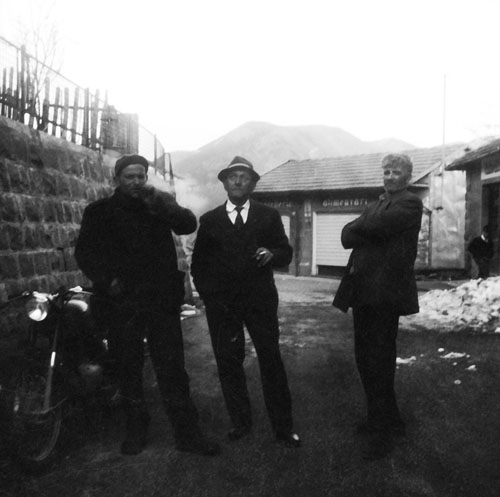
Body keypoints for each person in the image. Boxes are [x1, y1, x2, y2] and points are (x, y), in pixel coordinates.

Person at [75, 154, 220, 457]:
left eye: (141, 176)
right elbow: (85, 253)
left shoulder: (156, 206)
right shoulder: (99, 212)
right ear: (117, 179)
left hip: (159, 301)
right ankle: (136, 431)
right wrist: (107, 281)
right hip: (121, 303)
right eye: (130, 176)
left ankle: (187, 434)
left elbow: (187, 224)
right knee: (128, 368)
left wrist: (163, 202)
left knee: (172, 369)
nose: (136, 182)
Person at [191, 156, 301, 448]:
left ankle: (283, 427)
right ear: (224, 183)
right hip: (223, 306)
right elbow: (199, 265)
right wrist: (211, 298)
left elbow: (285, 252)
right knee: (228, 361)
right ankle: (240, 422)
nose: (238, 181)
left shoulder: (268, 216)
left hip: (259, 301)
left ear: (253, 184)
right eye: (233, 176)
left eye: (244, 177)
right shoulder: (210, 220)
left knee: (271, 360)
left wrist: (272, 254)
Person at [334, 153, 423, 460]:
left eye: (395, 172)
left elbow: (373, 227)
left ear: (407, 177)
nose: (389, 177)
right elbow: (347, 235)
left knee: (379, 362)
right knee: (365, 359)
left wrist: (362, 226)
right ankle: (387, 420)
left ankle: (381, 435)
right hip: (363, 292)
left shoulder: (409, 203)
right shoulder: (378, 203)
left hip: (385, 294)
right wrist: (363, 227)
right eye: (386, 172)